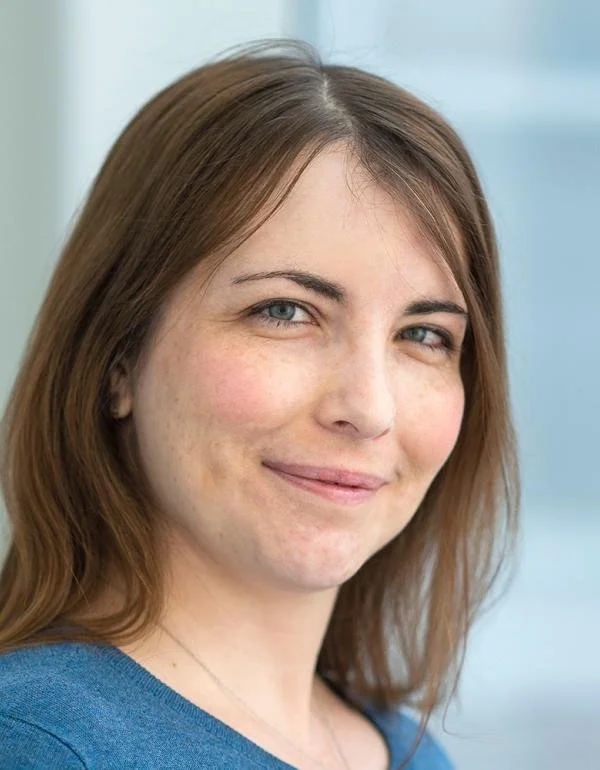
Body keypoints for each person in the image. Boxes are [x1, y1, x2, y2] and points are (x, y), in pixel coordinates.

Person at [0, 40, 519, 769]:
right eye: (285, 312)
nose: (369, 408)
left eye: (423, 335)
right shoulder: (39, 746)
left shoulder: (407, 751)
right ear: (118, 357)